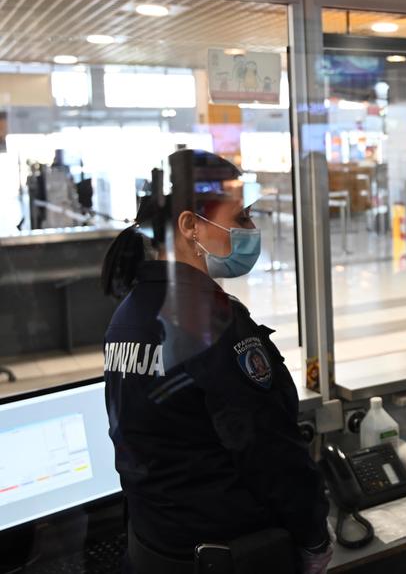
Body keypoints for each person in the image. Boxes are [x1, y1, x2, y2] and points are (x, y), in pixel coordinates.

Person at [101, 149, 332, 574]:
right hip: (230, 556)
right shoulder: (211, 321)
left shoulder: (127, 315)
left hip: (156, 550)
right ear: (191, 225)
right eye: (240, 217)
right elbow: (269, 450)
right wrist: (313, 535)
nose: (251, 229)